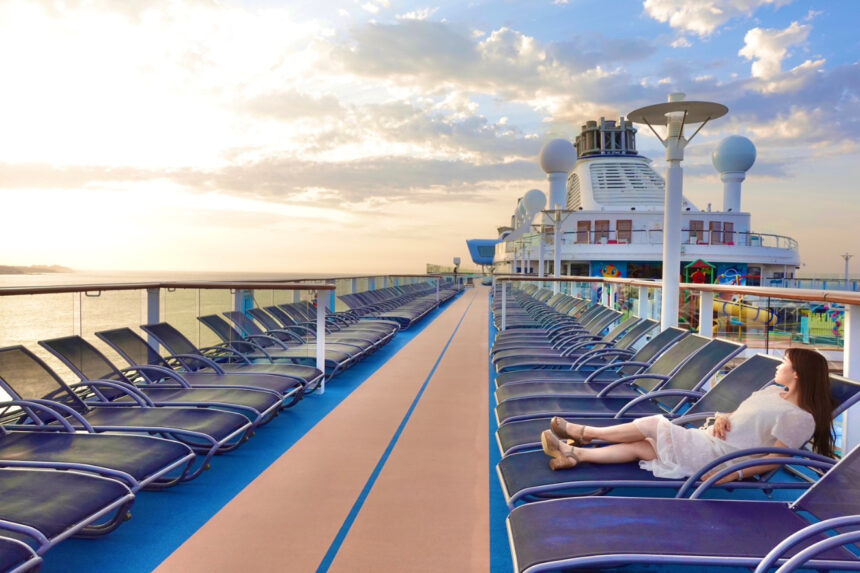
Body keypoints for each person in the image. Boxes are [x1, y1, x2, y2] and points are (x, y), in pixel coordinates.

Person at [541, 348, 836, 483]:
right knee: (641, 447)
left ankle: (584, 433)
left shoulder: (800, 418)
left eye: (783, 363)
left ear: (797, 374)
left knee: (653, 424)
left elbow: (774, 459)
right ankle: (575, 454)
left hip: (720, 458)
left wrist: (731, 474)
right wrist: (722, 417)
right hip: (707, 440)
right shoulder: (772, 391)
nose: (777, 367)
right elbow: (738, 414)